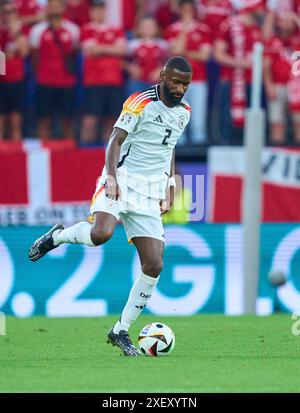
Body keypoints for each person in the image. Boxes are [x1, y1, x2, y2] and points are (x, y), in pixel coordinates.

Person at [28, 56, 192, 357]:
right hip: (122, 177)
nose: (180, 88)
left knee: (154, 264)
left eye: (185, 84)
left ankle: (120, 330)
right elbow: (114, 142)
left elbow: (169, 149)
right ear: (162, 76)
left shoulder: (184, 112)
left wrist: (170, 187)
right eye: (175, 81)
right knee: (100, 234)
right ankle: (58, 236)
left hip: (150, 191)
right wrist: (113, 178)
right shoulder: (140, 101)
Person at [29, 0, 79, 140]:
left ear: (63, 8)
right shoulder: (37, 30)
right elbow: (34, 56)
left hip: (66, 82)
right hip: (45, 82)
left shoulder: (73, 30)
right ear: (47, 8)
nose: (55, 8)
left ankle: (69, 153)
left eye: (58, 5)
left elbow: (74, 54)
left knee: (68, 120)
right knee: (44, 120)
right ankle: (44, 151)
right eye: (52, 5)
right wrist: (42, 73)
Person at [80, 0, 127, 145]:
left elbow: (122, 50)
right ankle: (84, 152)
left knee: (111, 120)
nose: (99, 13)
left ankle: (106, 155)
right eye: (95, 10)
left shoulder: (116, 29)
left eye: (101, 9)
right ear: (91, 12)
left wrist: (100, 48)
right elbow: (90, 50)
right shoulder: (86, 29)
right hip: (94, 81)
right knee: (90, 120)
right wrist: (111, 48)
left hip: (113, 80)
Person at [165, 0, 211, 145]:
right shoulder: (172, 29)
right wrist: (184, 30)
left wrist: (185, 52)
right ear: (179, 10)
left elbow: (205, 56)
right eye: (184, 8)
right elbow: (175, 52)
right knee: (178, 115)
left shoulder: (203, 29)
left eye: (189, 8)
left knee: (198, 118)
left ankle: (198, 148)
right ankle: (178, 150)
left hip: (198, 78)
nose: (187, 11)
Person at [264, 11, 300, 144]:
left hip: (296, 87)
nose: (287, 23)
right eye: (284, 20)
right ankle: (277, 152)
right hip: (278, 85)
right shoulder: (273, 40)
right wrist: (269, 85)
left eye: (289, 21)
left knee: (298, 123)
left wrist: (295, 18)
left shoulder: (297, 40)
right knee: (277, 123)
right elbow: (266, 66)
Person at [0, 1, 29, 141]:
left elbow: (24, 52)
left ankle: (15, 152)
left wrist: (15, 32)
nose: (8, 16)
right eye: (6, 12)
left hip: (16, 79)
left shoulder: (19, 30)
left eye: (11, 12)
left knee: (15, 119)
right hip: (2, 80)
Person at [126, 16, 169, 97]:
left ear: (156, 29)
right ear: (139, 29)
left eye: (151, 26)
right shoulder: (133, 44)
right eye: (145, 26)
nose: (148, 28)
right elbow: (120, 60)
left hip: (156, 83)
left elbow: (172, 61)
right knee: (136, 108)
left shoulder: (163, 45)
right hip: (137, 83)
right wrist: (130, 68)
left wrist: (162, 70)